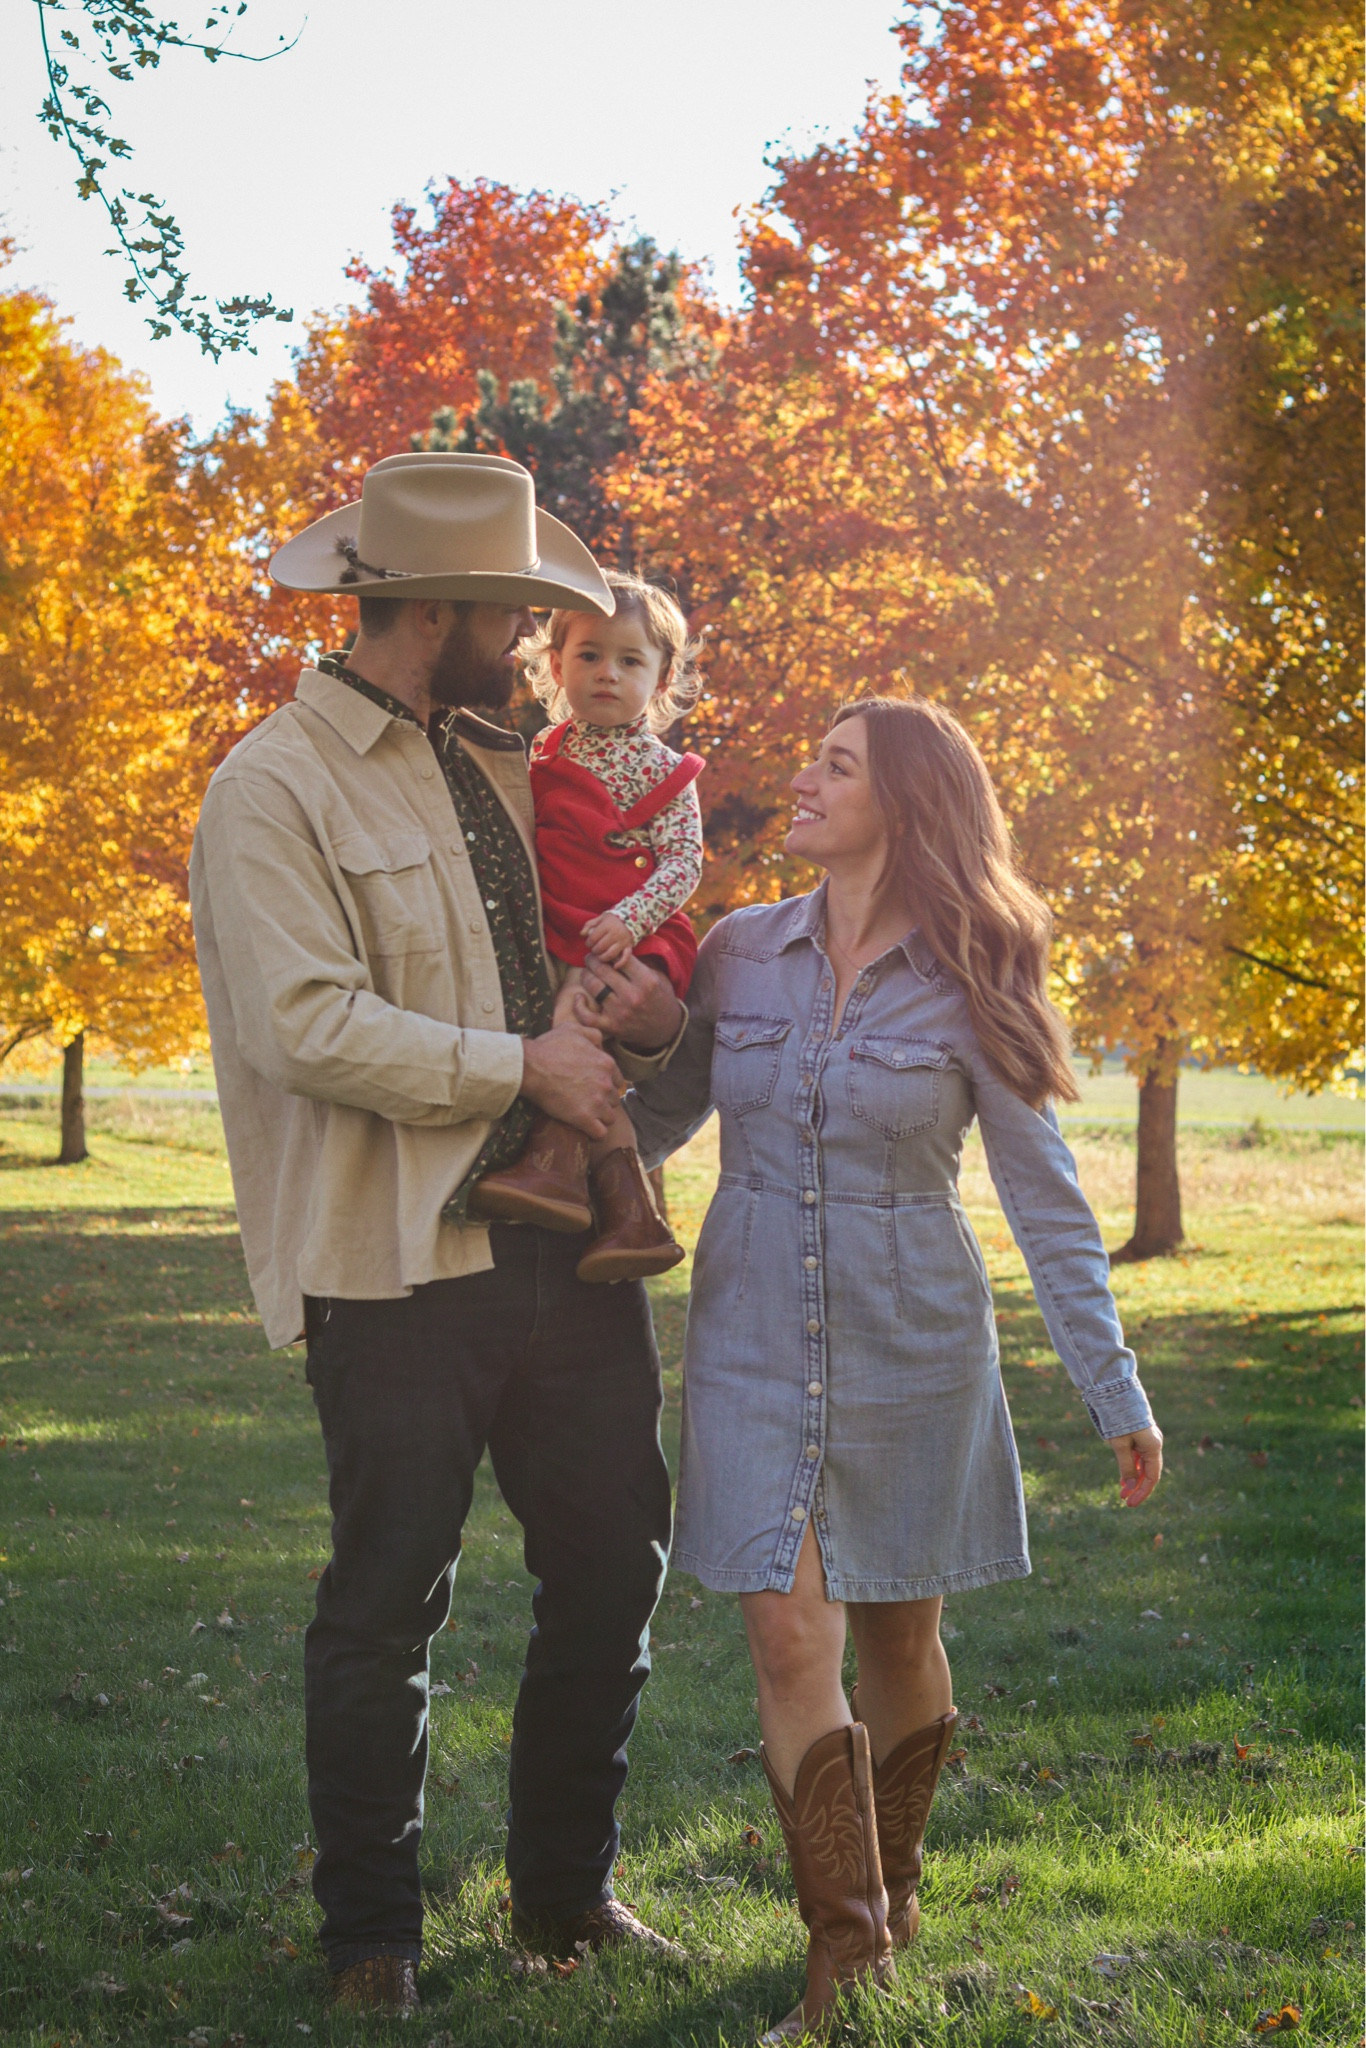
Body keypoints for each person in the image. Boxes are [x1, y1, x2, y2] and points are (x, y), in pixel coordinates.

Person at [188, 452, 688, 2019]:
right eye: (521, 608)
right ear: (448, 605)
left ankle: (562, 1896)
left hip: (568, 1247)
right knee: (386, 1596)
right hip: (391, 1260)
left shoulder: (508, 769)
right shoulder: (273, 783)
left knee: (613, 1568)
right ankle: (370, 1943)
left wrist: (651, 1024)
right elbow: (300, 1022)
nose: (542, 639)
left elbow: (585, 967)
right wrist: (515, 1069)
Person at [628, 694, 1164, 2043]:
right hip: (749, 1335)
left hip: (913, 1340)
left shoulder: (977, 967)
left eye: (834, 767)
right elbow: (657, 1115)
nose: (799, 781)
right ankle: (846, 1954)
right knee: (784, 1625)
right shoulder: (739, 954)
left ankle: (894, 1882)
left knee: (898, 1635)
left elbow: (1042, 1198)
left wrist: (1109, 1384)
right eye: (810, 758)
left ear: (906, 804)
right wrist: (599, 1057)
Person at [469, 572, 705, 1283]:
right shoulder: (539, 756)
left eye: (631, 661)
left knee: (576, 1023)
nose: (609, 674)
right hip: (563, 921)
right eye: (590, 656)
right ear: (555, 666)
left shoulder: (661, 768)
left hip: (632, 934)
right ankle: (631, 1213)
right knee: (570, 1030)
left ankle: (554, 1166)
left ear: (662, 679)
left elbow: (684, 863)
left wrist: (629, 920)